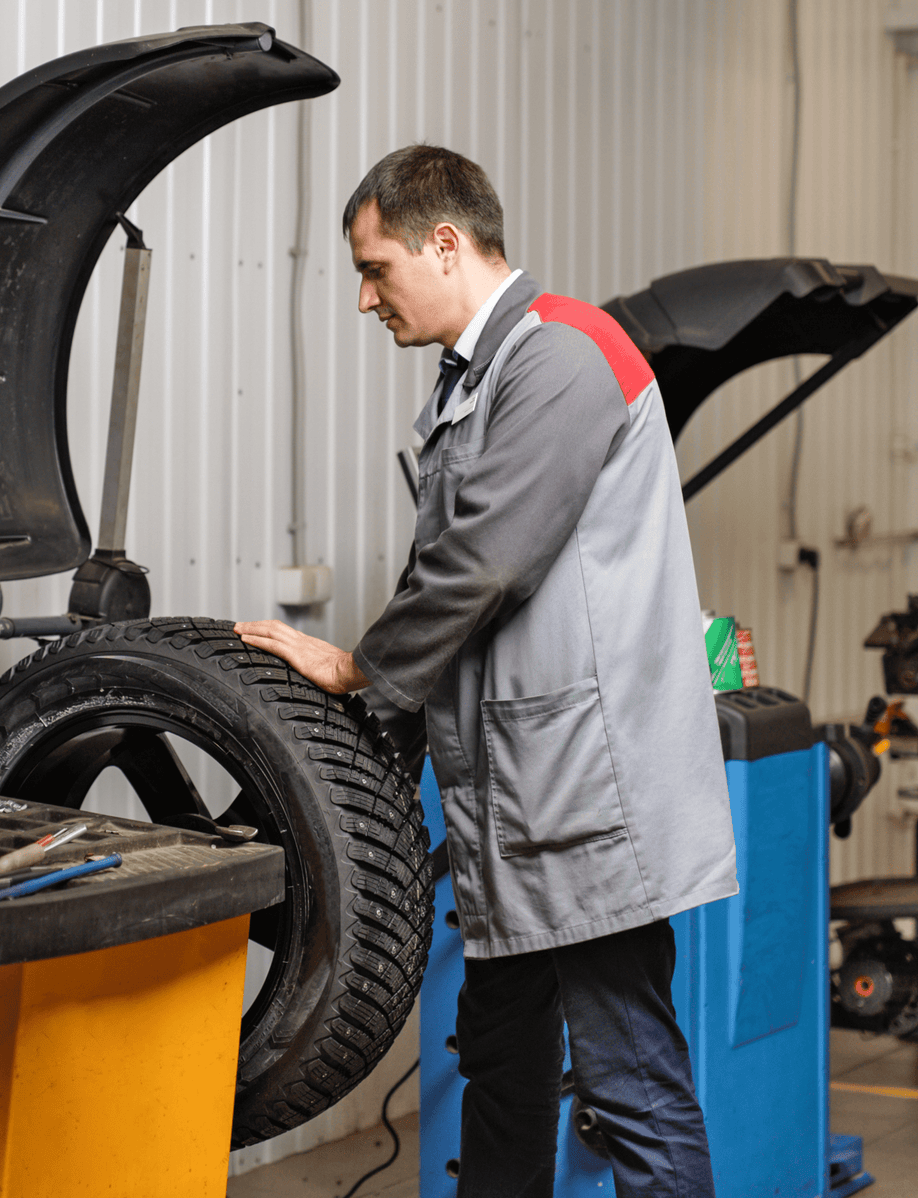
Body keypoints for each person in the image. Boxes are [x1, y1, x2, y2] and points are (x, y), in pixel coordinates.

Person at [235, 145, 737, 1198]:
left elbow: (485, 560)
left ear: (447, 242)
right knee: (503, 1070)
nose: (366, 297)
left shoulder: (565, 355)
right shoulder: (478, 375)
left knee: (628, 1079)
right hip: (512, 804)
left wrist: (361, 668)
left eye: (377, 269)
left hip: (583, 800)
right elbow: (452, 574)